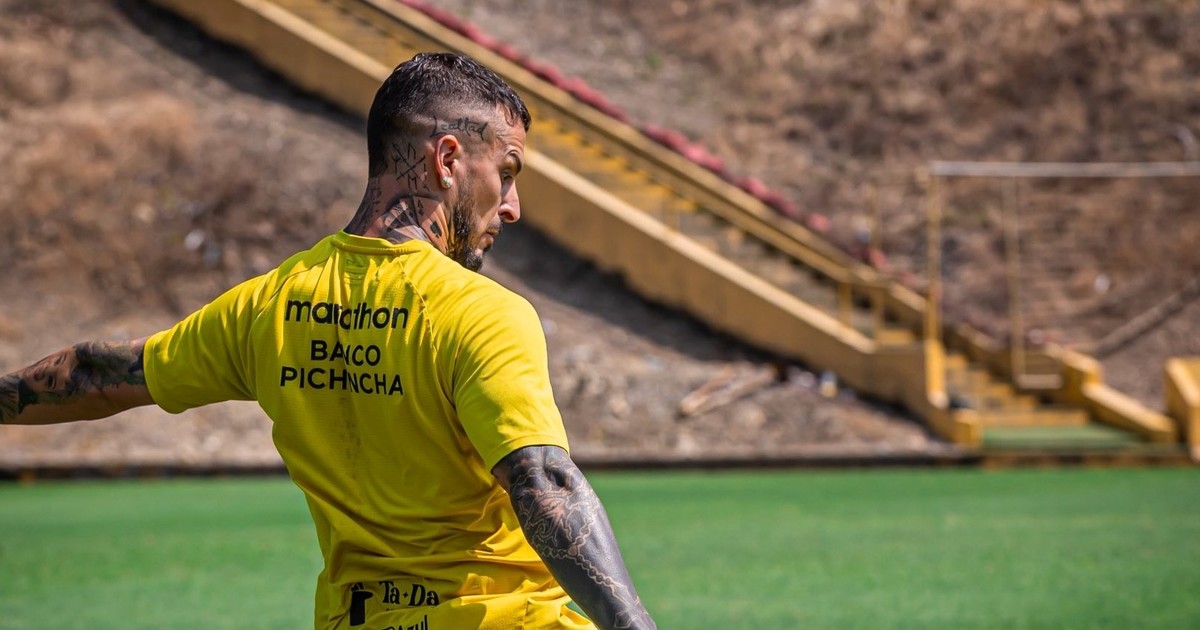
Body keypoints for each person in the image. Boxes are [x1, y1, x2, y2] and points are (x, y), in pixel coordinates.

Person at [0, 52, 655, 630]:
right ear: (448, 159)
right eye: (506, 172)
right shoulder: (481, 313)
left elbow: (95, 373)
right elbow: (543, 481)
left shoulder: (269, 306)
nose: (511, 206)